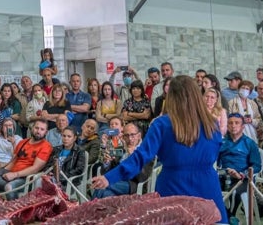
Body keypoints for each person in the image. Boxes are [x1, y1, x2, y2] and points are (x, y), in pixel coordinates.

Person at [91, 75, 228, 224]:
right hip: (207, 185)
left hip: (173, 185)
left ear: (172, 97)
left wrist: (110, 177)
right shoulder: (212, 124)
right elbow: (217, 150)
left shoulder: (162, 124)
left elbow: (141, 156)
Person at [0, 119, 53, 200]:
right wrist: (1, 172)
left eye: (42, 129)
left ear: (46, 132)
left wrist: (15, 175)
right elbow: (13, 161)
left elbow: (36, 168)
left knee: (9, 187)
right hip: (11, 174)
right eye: (36, 128)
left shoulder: (46, 146)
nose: (38, 131)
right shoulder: (23, 142)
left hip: (26, 178)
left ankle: (14, 211)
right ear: (32, 128)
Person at [217, 113, 262, 222]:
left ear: (243, 127)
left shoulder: (250, 143)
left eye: (237, 123)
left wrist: (241, 174)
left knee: (234, 193)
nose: (233, 126)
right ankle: (229, 217)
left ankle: (230, 217)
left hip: (243, 178)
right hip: (224, 175)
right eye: (231, 123)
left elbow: (257, 166)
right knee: (209, 190)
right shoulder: (221, 142)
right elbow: (215, 162)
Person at [93, 122, 153, 198]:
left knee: (101, 186)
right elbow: (105, 172)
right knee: (106, 194)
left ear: (139, 135)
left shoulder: (145, 152)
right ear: (123, 137)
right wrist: (106, 163)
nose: (130, 139)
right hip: (116, 180)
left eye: (132, 135)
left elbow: (142, 177)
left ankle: (87, 208)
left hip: (132, 184)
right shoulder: (119, 149)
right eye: (126, 136)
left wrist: (133, 157)